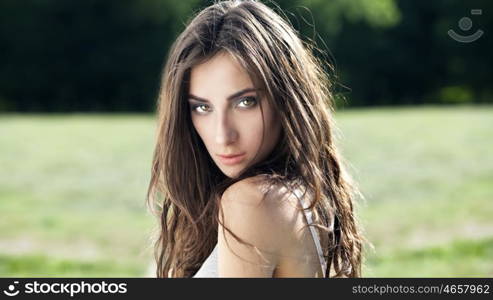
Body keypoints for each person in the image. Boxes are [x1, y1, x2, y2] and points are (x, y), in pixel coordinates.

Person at [146, 0, 368, 278]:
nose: (222, 135)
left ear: (285, 99)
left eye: (245, 102)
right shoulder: (304, 194)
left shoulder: (252, 202)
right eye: (202, 107)